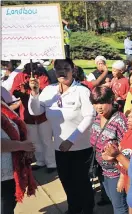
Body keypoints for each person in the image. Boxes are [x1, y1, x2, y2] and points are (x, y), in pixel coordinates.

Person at [28, 58, 95, 214]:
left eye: (66, 68)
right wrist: (34, 93)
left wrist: (71, 140)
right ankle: (74, 208)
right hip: (59, 147)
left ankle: (87, 209)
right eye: (58, 68)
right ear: (54, 70)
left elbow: (90, 116)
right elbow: (35, 111)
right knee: (67, 181)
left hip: (81, 147)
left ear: (73, 69)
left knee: (82, 182)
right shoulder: (49, 90)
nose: (62, 71)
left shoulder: (82, 91)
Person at [89, 86, 128, 214]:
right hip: (103, 171)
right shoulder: (98, 117)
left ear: (111, 100)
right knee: (114, 201)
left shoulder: (119, 120)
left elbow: (128, 150)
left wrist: (123, 177)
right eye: (95, 103)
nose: (99, 107)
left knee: (120, 207)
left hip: (116, 173)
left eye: (102, 103)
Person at [11, 63, 56, 173]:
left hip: (42, 114)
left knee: (46, 140)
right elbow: (14, 92)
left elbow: (46, 91)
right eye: (28, 67)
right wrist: (23, 90)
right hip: (27, 114)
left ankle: (51, 163)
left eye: (34, 67)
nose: (32, 69)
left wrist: (35, 88)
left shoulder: (43, 77)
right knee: (34, 140)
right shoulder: (19, 76)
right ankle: (40, 161)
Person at [1, 101, 37, 214]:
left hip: (11, 171)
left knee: (8, 204)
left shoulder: (2, 105)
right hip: (2, 176)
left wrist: (26, 144)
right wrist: (22, 146)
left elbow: (18, 124)